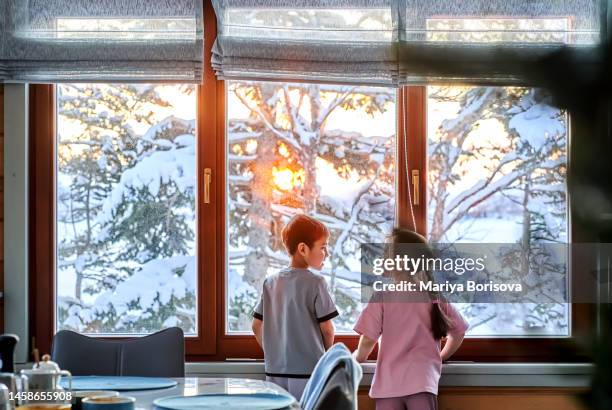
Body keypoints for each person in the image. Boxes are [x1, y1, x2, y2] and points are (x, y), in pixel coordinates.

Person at [353, 228, 469, 410]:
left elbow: (368, 339)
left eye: (386, 254)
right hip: (424, 383)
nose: (382, 259)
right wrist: (440, 357)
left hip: (389, 387)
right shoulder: (433, 296)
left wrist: (357, 357)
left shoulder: (382, 297)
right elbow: (459, 331)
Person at [252, 214, 338, 400]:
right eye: (323, 247)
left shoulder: (271, 282)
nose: (327, 253)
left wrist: (274, 352)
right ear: (303, 249)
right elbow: (327, 328)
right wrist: (327, 358)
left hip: (275, 372)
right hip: (309, 372)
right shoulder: (316, 282)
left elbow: (256, 325)